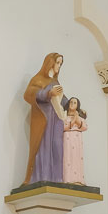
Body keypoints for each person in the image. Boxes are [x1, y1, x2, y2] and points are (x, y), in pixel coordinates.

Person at [22, 52, 68, 185]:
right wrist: (47, 93)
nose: (59, 66)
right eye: (57, 63)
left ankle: (57, 178)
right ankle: (43, 177)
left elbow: (63, 99)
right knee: (44, 146)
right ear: (50, 63)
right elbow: (28, 94)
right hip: (45, 120)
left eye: (60, 63)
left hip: (57, 120)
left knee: (57, 146)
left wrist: (75, 107)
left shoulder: (55, 81)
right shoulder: (38, 79)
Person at [62, 97, 88, 184]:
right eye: (71, 102)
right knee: (68, 157)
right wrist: (73, 121)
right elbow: (63, 127)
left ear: (77, 106)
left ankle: (78, 179)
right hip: (67, 138)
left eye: (75, 103)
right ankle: (67, 179)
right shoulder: (64, 116)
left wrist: (77, 119)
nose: (72, 104)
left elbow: (85, 127)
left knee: (77, 158)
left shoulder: (80, 117)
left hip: (77, 139)